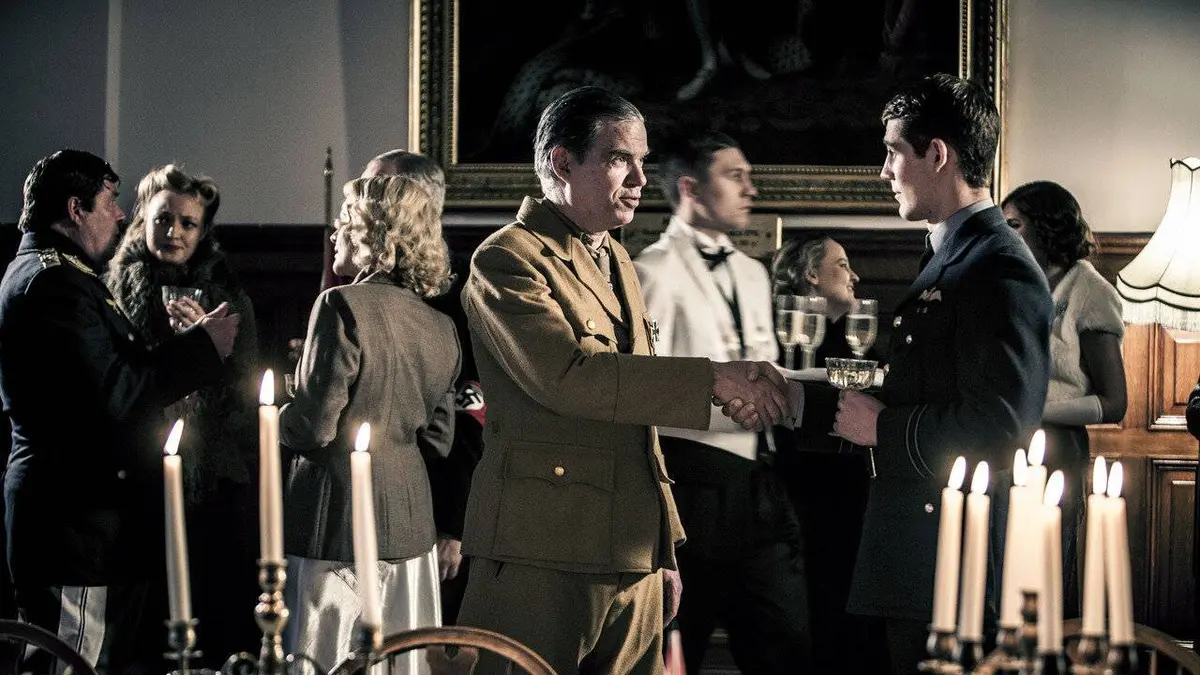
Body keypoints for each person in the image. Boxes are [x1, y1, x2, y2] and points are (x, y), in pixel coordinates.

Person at [455, 85, 795, 675]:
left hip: (632, 551)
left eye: (642, 160)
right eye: (619, 159)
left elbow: (640, 427)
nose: (640, 179)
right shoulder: (507, 258)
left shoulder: (616, 259)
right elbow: (568, 378)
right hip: (543, 549)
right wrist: (712, 380)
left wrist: (664, 549)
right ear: (563, 163)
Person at [833, 74, 1053, 675]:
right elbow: (926, 383)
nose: (884, 171)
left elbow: (1002, 426)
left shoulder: (998, 265)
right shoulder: (954, 250)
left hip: (956, 562)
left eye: (893, 152)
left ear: (936, 154)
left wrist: (885, 430)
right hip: (923, 549)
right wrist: (800, 398)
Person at [0, 149, 240, 673]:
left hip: (88, 518)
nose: (120, 213)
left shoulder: (61, 274)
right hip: (75, 520)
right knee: (73, 662)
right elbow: (117, 393)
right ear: (75, 209)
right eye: (109, 201)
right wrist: (202, 348)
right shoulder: (55, 283)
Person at [633, 130, 810, 674]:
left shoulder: (754, 273)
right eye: (735, 177)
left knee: (786, 643)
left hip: (762, 483)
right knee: (678, 647)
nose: (751, 189)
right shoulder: (650, 271)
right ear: (690, 188)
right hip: (692, 488)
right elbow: (644, 387)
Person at [280, 173, 460, 673]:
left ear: (370, 235)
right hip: (411, 526)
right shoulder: (441, 326)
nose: (334, 236)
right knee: (403, 663)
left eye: (344, 223)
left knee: (320, 659)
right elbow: (439, 439)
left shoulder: (339, 303)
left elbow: (314, 428)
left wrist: (282, 412)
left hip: (334, 520)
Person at [105, 164, 261, 667]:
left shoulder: (228, 296)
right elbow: (116, 384)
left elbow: (246, 389)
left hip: (214, 477)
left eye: (187, 223)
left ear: (203, 231)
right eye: (162, 219)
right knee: (146, 621)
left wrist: (209, 349)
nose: (173, 231)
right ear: (142, 220)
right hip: (140, 474)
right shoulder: (113, 290)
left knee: (215, 610)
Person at [362, 149, 483, 624]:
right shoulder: (371, 283)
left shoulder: (458, 292)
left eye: (376, 187)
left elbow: (471, 414)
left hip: (433, 502)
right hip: (371, 496)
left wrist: (454, 524)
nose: (364, 198)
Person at [1001, 180, 1128, 619]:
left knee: (1044, 578)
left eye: (1014, 225)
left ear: (1046, 227)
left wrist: (1035, 412)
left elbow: (1114, 403)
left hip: (1058, 448)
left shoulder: (1089, 292)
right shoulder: (1017, 285)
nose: (1005, 235)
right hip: (1006, 442)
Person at [770, 233, 886, 675]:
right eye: (841, 264)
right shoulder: (779, 342)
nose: (854, 276)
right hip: (798, 492)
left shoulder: (858, 342)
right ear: (811, 275)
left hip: (853, 492)